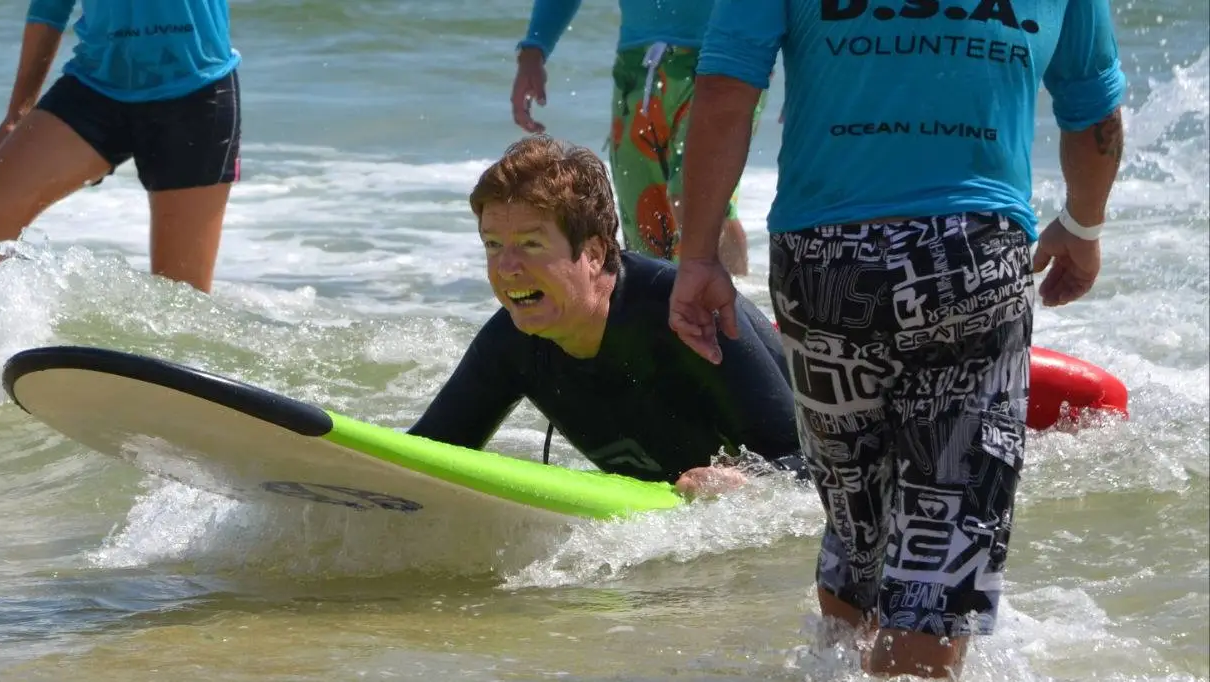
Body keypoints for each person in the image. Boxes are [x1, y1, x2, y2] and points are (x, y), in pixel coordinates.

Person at [667, 0, 1126, 673]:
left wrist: (698, 256)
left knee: (857, 528)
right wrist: (1083, 229)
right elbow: (1092, 111)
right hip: (974, 258)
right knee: (942, 553)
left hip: (824, 261)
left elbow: (726, 89)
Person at [406, 134, 808, 499]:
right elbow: (419, 461)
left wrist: (748, 485)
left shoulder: (684, 314)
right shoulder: (511, 342)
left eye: (530, 243)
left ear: (595, 253)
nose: (507, 267)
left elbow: (813, 466)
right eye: (493, 245)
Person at [0, 0, 242, 293]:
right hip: (96, 84)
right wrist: (16, 116)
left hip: (194, 92)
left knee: (180, 295)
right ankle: (7, 331)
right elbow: (50, 8)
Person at [508, 0, 756, 276]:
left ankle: (733, 311)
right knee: (647, 228)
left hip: (730, 60)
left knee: (698, 196)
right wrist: (534, 49)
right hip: (638, 67)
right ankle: (661, 314)